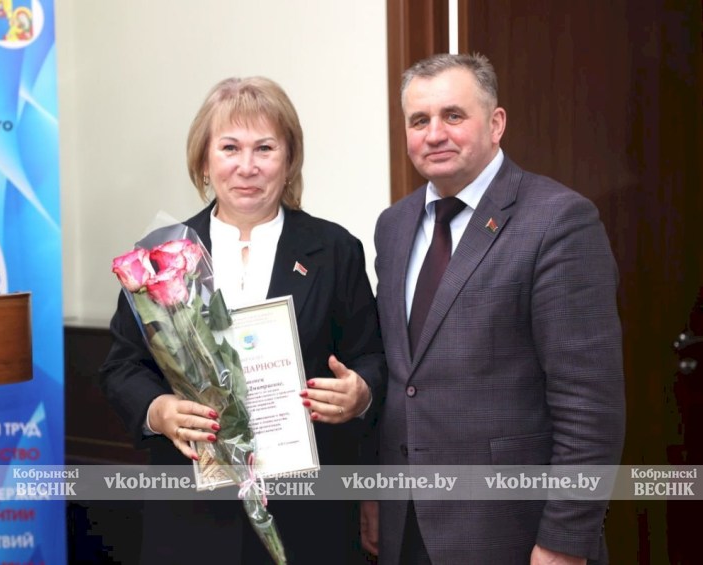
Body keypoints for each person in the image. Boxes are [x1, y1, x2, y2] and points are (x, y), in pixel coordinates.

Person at [100, 76, 386, 564]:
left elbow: (371, 356)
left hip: (309, 515)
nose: (247, 166)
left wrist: (359, 392)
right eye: (230, 147)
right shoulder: (160, 256)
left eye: (265, 148)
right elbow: (120, 366)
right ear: (204, 160)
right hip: (191, 517)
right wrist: (159, 410)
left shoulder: (335, 250)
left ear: (289, 160)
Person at [365, 53, 625, 564]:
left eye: (453, 116)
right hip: (407, 526)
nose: (434, 134)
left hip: (511, 532)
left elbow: (590, 406)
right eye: (419, 120)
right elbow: (403, 380)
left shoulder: (558, 221)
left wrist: (565, 540)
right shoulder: (393, 226)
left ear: (496, 123)